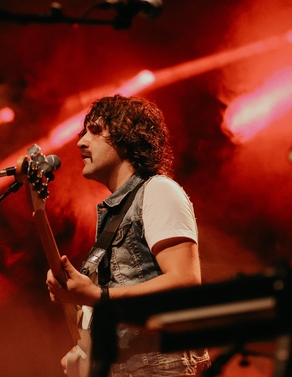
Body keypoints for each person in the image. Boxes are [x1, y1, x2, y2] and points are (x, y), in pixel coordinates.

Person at [46, 95, 210, 377]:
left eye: (94, 131)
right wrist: (86, 353)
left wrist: (98, 296)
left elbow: (185, 281)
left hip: (158, 366)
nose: (81, 142)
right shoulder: (116, 214)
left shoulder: (158, 190)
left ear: (125, 138)